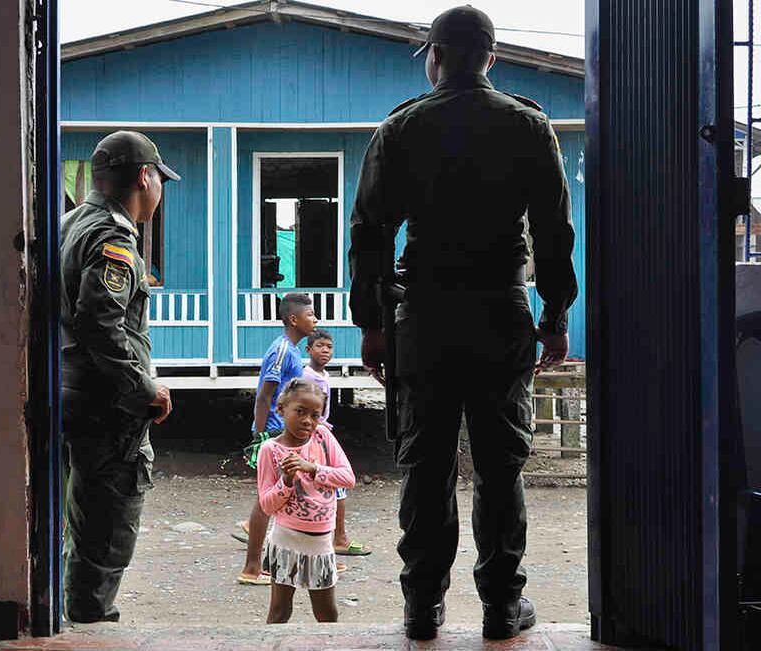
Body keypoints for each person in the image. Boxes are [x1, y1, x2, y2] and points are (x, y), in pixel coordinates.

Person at [348, 6, 578, 641]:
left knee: (427, 463)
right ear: (491, 59)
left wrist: (371, 323)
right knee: (502, 465)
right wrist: (555, 314)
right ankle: (503, 607)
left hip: (423, 316)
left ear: (436, 56)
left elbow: (369, 231)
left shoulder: (403, 128)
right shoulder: (529, 126)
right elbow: (554, 232)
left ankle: (423, 607)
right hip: (500, 313)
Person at [60, 130, 179, 623]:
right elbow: (100, 322)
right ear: (145, 178)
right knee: (107, 526)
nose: (160, 190)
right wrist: (143, 388)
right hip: (106, 405)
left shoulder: (70, 223)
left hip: (71, 392)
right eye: (160, 180)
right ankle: (91, 623)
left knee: (79, 516)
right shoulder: (112, 236)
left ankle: (78, 612)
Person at [235, 293, 319, 585]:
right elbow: (264, 395)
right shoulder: (281, 350)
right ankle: (252, 568)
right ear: (294, 320)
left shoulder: (294, 351)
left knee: (280, 497)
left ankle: (275, 562)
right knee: (267, 500)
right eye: (311, 315)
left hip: (281, 431)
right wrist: (260, 437)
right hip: (273, 432)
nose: (316, 319)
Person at [257, 378, 356, 623]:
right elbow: (267, 505)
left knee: (327, 613)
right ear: (281, 409)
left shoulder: (322, 437)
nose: (307, 421)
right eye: (300, 412)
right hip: (287, 539)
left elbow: (348, 478)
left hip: (321, 541)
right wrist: (287, 481)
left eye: (315, 415)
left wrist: (312, 468)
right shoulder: (271, 450)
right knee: (280, 611)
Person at [302, 330, 372, 566]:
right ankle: (336, 539)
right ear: (308, 350)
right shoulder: (307, 376)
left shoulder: (322, 374)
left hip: (323, 432)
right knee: (335, 484)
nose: (325, 351)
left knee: (332, 486)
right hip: (315, 435)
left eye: (329, 347)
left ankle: (334, 538)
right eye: (320, 346)